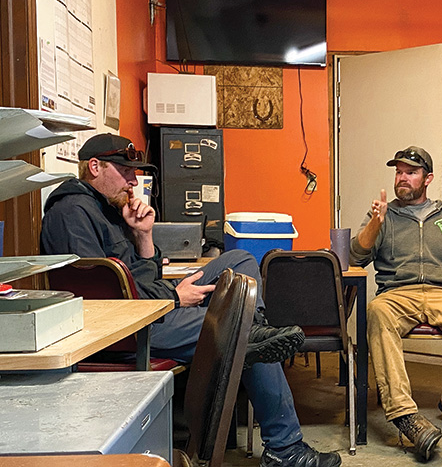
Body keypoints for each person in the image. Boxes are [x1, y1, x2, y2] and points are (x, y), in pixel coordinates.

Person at [41, 133, 341, 467]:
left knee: (239, 259)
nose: (133, 180)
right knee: (241, 333)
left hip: (153, 310)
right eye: (125, 171)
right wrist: (174, 296)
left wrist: (143, 235)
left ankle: (252, 328)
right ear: (94, 167)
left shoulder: (108, 210)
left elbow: (142, 278)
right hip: (132, 328)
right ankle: (285, 450)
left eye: (135, 172)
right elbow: (108, 300)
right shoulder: (71, 213)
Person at [350, 146, 442, 462]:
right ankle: (405, 416)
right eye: (398, 171)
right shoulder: (382, 214)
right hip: (397, 294)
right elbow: (356, 256)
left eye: (411, 172)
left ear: (427, 178)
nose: (402, 178)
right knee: (376, 312)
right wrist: (376, 222)